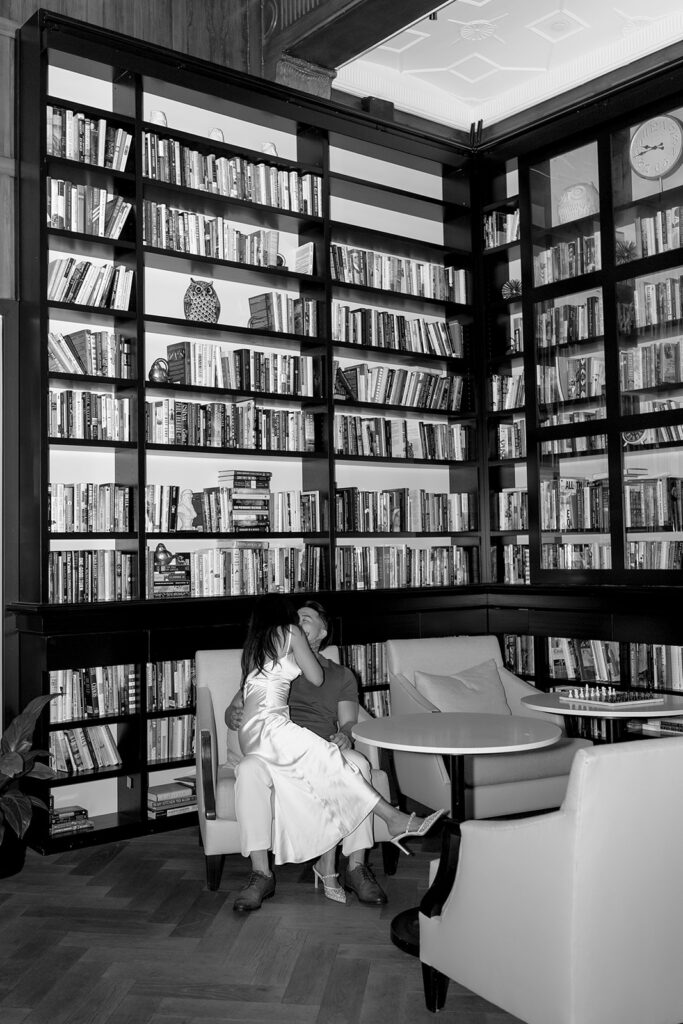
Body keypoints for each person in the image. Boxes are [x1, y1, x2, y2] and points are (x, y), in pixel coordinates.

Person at [229, 593, 445, 913]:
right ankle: (261, 873)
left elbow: (348, 721)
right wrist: (229, 715)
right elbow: (241, 702)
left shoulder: (341, 675)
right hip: (274, 748)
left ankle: (356, 866)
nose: (298, 624)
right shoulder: (273, 652)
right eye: (295, 618)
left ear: (322, 632)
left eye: (306, 620)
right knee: (248, 770)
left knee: (355, 762)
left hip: (314, 743)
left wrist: (344, 736)